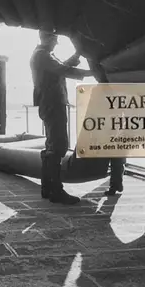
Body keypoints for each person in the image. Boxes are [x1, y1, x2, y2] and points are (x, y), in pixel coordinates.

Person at [30, 30, 93, 205]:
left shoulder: (43, 54)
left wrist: (77, 55)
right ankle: (56, 191)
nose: (56, 43)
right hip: (53, 104)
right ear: (48, 38)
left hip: (49, 104)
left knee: (51, 145)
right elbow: (62, 69)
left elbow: (59, 68)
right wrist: (91, 72)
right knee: (59, 145)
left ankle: (47, 187)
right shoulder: (43, 55)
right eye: (55, 40)